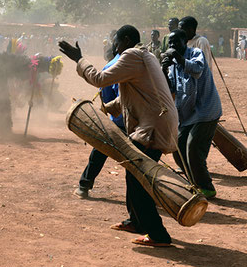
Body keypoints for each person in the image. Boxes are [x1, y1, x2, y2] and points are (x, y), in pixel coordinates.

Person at [59, 25, 178, 247]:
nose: (114, 44)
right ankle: (136, 222)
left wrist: (79, 59)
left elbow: (100, 79)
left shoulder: (131, 55)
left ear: (125, 39)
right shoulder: (145, 55)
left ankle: (158, 234)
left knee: (138, 179)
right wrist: (106, 109)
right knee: (133, 173)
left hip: (152, 127)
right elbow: (133, 94)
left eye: (116, 40)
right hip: (157, 122)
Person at [162, 29, 222, 198]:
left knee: (193, 147)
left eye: (176, 42)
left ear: (184, 42)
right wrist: (164, 69)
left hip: (206, 110)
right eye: (170, 43)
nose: (172, 46)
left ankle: (207, 187)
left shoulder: (195, 53)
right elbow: (170, 89)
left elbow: (196, 70)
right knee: (178, 148)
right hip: (188, 113)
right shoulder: (173, 64)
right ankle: (194, 183)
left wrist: (179, 58)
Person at [75, 53, 124, 198]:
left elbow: (106, 98)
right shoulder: (145, 61)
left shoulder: (110, 66)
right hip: (137, 122)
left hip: (119, 121)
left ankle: (84, 184)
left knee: (100, 150)